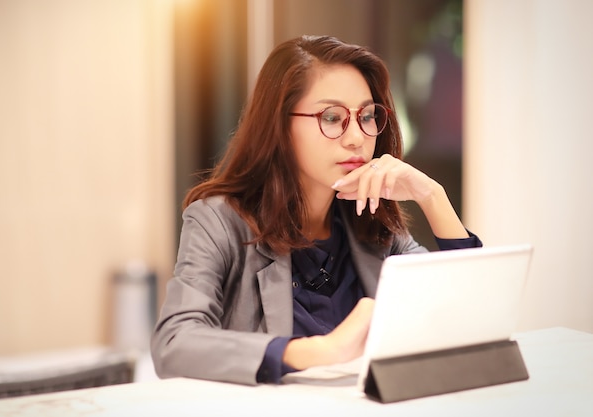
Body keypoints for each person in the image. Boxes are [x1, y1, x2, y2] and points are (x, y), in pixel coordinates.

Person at [150, 35, 482, 385]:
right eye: (332, 117)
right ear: (280, 125)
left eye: (367, 116)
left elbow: (466, 320)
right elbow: (173, 343)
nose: (356, 137)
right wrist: (318, 352)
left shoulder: (375, 225)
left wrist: (431, 195)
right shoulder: (219, 221)